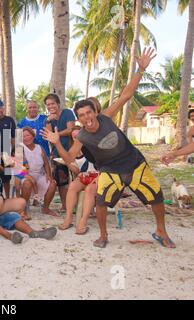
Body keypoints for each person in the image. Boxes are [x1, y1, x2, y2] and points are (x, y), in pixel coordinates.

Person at [44, 47, 176, 249]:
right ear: (78, 119)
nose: (87, 118)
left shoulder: (106, 117)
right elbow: (69, 158)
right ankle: (103, 235)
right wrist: (55, 142)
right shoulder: (83, 136)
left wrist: (140, 70)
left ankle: (161, 231)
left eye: (89, 113)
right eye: (81, 115)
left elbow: (126, 95)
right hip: (110, 171)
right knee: (101, 201)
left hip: (134, 164)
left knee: (156, 197)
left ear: (94, 112)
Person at [58, 126, 98, 235]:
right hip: (84, 176)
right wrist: (67, 163)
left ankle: (83, 221)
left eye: (79, 134)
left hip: (98, 176)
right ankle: (68, 217)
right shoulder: (74, 151)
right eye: (74, 136)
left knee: (90, 189)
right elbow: (77, 170)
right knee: (72, 186)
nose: (77, 137)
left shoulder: (94, 146)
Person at [43, 93, 76, 214]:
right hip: (57, 154)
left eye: (52, 103)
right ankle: (64, 206)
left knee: (77, 178)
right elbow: (48, 135)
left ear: (58, 103)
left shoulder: (67, 112)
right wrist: (47, 121)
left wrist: (57, 135)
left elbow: (70, 129)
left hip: (72, 151)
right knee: (61, 182)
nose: (50, 106)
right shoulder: (49, 119)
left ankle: (77, 204)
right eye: (48, 105)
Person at [18, 127, 57, 217]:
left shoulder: (39, 148)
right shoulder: (19, 148)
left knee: (53, 184)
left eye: (28, 135)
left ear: (33, 136)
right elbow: (18, 169)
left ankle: (45, 208)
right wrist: (29, 177)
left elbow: (46, 164)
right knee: (27, 183)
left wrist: (48, 175)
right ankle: (23, 210)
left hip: (39, 175)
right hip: (24, 176)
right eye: (23, 136)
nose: (26, 138)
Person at [0, 99, 16, 198]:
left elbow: (13, 137)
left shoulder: (9, 120)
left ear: (3, 108)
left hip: (7, 153)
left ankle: (8, 197)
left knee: (7, 177)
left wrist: (14, 151)